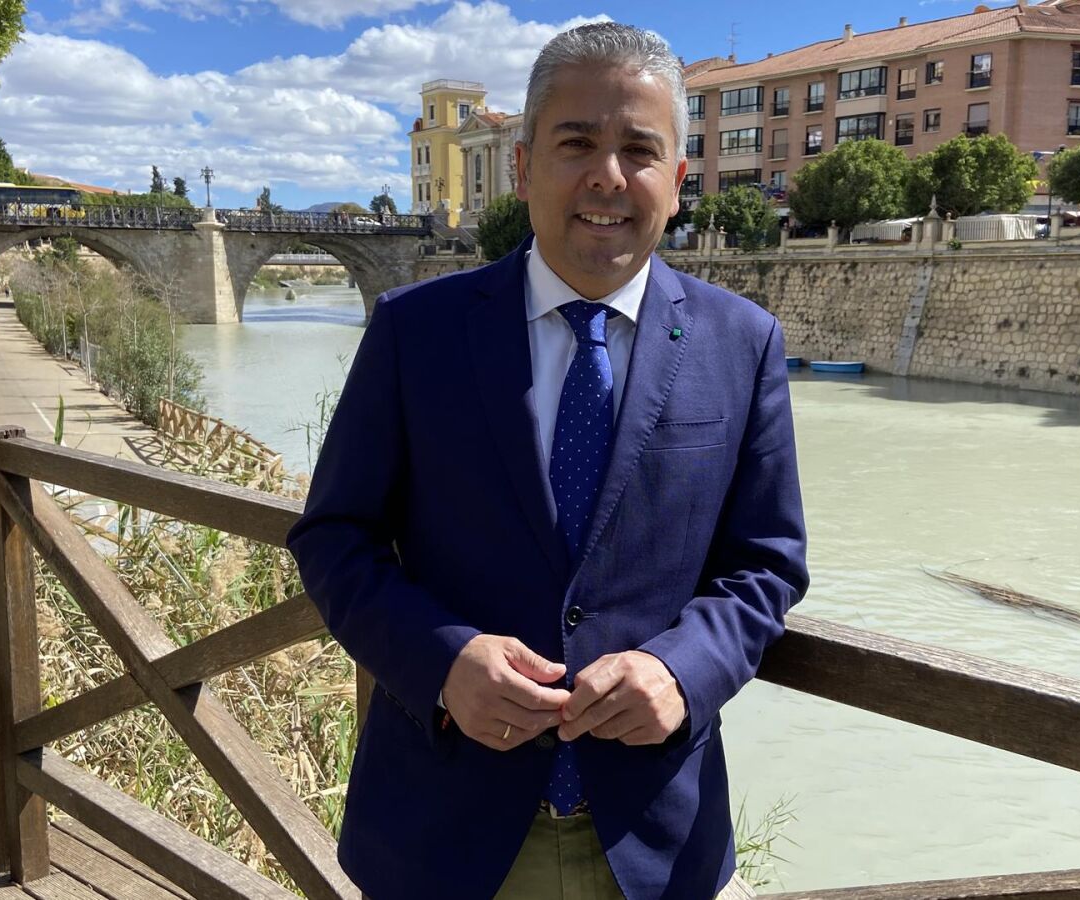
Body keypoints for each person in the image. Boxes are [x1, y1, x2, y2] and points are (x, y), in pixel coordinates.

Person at [287, 22, 807, 900]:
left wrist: (683, 671)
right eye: (577, 143)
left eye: (639, 149)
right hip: (441, 834)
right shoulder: (415, 332)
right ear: (524, 166)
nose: (608, 175)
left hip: (656, 840)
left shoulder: (744, 343)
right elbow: (335, 537)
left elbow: (767, 565)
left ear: (678, 179)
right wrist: (442, 663)